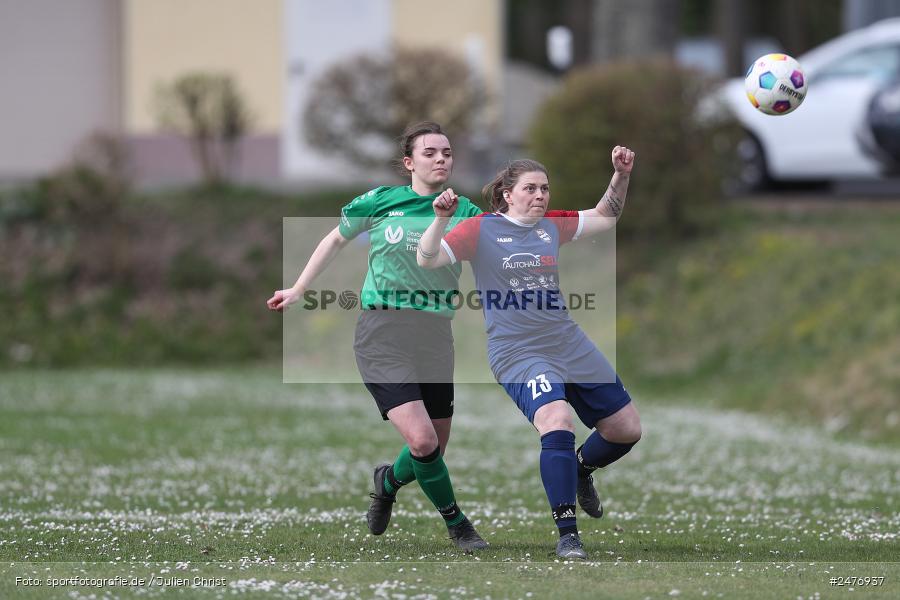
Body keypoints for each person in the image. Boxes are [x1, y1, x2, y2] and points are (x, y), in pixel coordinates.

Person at [267, 121, 488, 551]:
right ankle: (458, 524)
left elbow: (501, 248)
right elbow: (335, 239)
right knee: (423, 440)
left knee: (434, 446)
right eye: (430, 153)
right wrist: (298, 288)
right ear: (409, 162)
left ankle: (386, 481)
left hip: (434, 333)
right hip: (382, 330)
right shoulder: (382, 200)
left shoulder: (465, 211)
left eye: (447, 152)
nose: (441, 158)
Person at [417, 148, 641, 560]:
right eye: (531, 189)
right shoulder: (478, 230)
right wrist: (440, 220)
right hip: (517, 351)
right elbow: (427, 259)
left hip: (567, 341)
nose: (540, 196)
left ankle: (579, 470)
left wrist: (620, 175)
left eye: (545, 189)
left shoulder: (551, 227)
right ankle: (568, 535)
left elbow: (606, 216)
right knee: (557, 420)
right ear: (506, 194)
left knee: (626, 429)